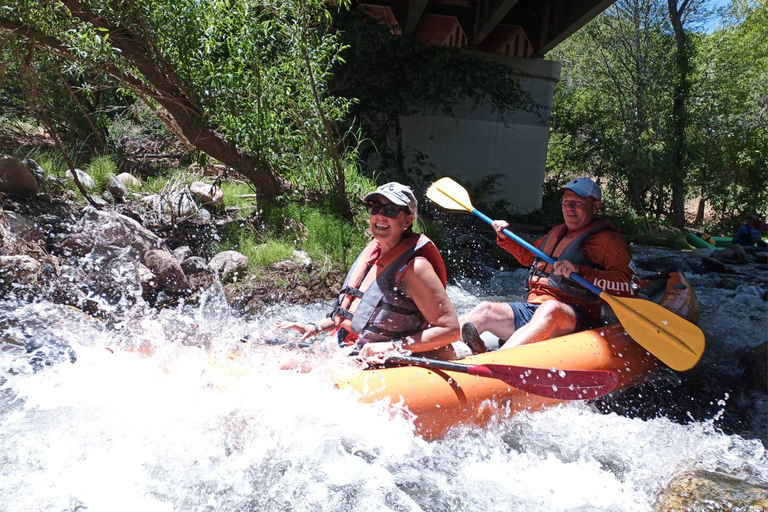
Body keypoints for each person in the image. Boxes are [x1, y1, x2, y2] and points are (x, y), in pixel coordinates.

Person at [276, 182, 461, 361]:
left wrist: (392, 346)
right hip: (351, 348)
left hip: (390, 358)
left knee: (289, 364)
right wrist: (314, 326)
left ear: (407, 221)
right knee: (281, 356)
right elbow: (357, 316)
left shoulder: (415, 268)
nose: (380, 216)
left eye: (391, 210)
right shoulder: (374, 254)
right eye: (376, 208)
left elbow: (450, 330)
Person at [460, 178, 637, 353]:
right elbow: (529, 257)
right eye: (566, 202)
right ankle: (441, 348)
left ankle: (493, 361)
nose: (570, 207)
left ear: (595, 206)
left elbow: (628, 284)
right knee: (485, 309)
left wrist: (581, 271)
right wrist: (506, 238)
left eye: (578, 202)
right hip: (534, 310)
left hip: (576, 317)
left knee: (550, 308)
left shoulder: (608, 241)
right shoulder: (556, 233)